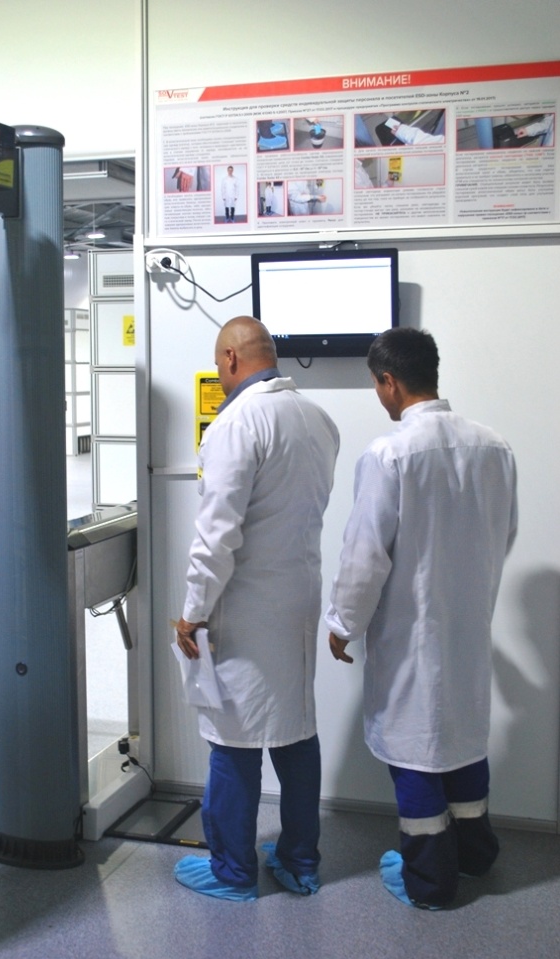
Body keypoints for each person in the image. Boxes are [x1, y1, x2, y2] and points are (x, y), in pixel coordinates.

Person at [325, 328, 517, 910]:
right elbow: (503, 534)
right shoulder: (494, 447)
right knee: (461, 740)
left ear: (389, 381)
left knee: (416, 752)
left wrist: (342, 624)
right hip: (468, 625)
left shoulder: (389, 455)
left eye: (375, 384)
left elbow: (365, 556)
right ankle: (475, 855)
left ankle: (431, 881)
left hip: (412, 634)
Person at [175, 316, 340, 901]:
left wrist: (192, 612)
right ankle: (299, 861)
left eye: (218, 365)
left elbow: (216, 539)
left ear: (230, 358)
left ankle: (233, 872)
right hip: (298, 600)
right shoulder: (318, 419)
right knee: (295, 731)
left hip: (243, 609)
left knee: (233, 738)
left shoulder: (237, 423)